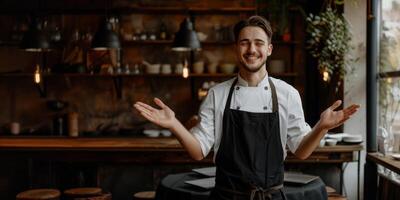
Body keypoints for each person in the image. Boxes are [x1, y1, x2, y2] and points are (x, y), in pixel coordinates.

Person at [134, 16, 359, 200]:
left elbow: (300, 151)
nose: (252, 49)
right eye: (245, 42)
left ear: (269, 49)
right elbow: (198, 151)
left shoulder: (287, 94)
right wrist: (174, 124)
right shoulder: (217, 94)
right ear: (236, 48)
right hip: (225, 197)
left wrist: (321, 127)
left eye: (259, 43)